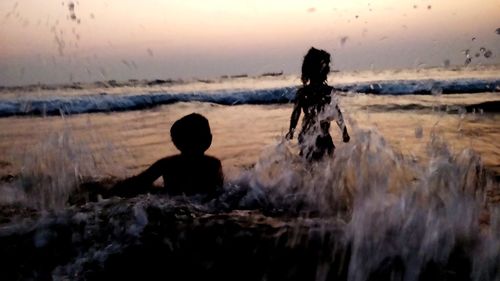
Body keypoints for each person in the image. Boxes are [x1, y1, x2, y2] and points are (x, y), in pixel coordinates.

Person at [109, 113, 224, 198]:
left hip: (170, 202)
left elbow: (140, 181)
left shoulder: (167, 164)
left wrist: (110, 190)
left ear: (176, 143)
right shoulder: (213, 164)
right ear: (209, 141)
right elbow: (219, 194)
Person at [286, 47, 350, 161]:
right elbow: (337, 113)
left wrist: (291, 131)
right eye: (326, 66)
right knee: (327, 165)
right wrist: (344, 131)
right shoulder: (327, 91)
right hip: (316, 135)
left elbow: (296, 113)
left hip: (310, 136)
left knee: (311, 165)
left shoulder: (304, 92)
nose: (328, 68)